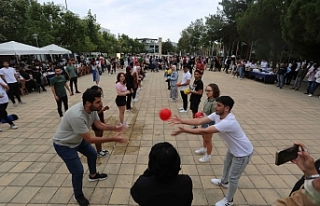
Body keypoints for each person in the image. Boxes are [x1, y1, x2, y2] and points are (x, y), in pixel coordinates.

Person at [170, 96, 253, 206]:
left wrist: (184, 130)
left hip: (243, 152)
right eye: (216, 104)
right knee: (226, 164)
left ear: (226, 108)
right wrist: (181, 120)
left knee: (233, 177)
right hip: (233, 149)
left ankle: (229, 200)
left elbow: (205, 130)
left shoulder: (228, 122)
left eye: (218, 105)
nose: (215, 107)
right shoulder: (217, 115)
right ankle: (223, 182)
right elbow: (199, 120)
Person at [52, 88, 127, 206]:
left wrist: (114, 128)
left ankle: (93, 175)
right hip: (64, 144)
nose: (101, 104)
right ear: (88, 103)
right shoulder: (76, 115)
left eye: (100, 101)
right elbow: (90, 139)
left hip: (77, 139)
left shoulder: (93, 110)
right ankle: (78, 195)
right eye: (98, 102)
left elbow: (98, 124)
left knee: (92, 154)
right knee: (78, 171)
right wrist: (113, 138)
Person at [195, 83, 220, 163]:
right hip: (204, 120)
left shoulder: (215, 103)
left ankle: (208, 155)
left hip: (210, 122)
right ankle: (204, 148)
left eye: (209, 91)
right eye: (206, 90)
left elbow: (215, 116)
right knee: (204, 136)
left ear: (214, 91)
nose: (207, 92)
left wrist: (204, 117)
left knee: (208, 139)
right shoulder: (208, 99)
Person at [90, 86, 109, 157]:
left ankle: (100, 149)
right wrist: (102, 110)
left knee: (100, 136)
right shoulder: (92, 102)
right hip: (96, 122)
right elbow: (93, 115)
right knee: (98, 137)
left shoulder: (98, 100)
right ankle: (98, 151)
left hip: (100, 119)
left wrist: (103, 108)